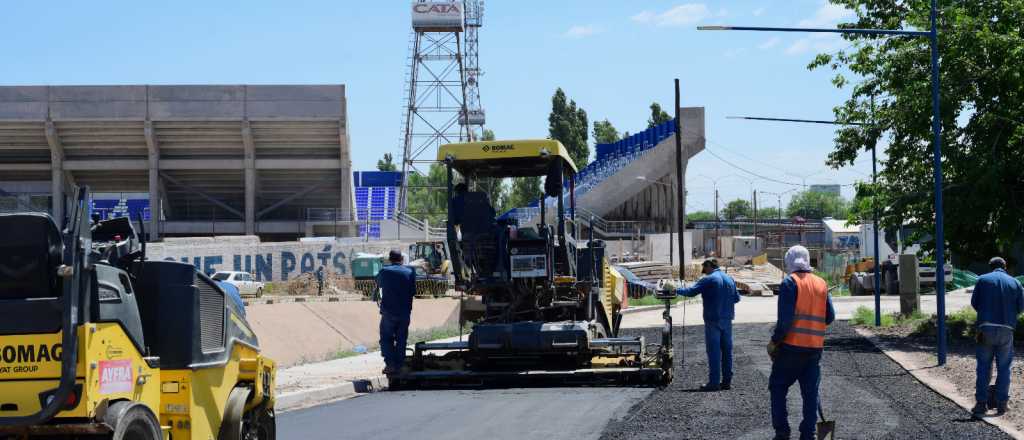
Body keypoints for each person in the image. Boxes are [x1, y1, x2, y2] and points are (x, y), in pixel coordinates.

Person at [768, 245, 836, 440]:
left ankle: (782, 432)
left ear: (789, 260)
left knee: (778, 386)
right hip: (814, 348)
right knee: (810, 392)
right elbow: (830, 316)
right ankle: (809, 434)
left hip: (791, 347)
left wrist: (774, 341)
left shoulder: (790, 282)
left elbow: (785, 321)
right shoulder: (821, 283)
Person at [674, 259, 741, 391]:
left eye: (705, 269)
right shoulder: (729, 279)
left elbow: (691, 292)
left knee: (714, 352)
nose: (705, 272)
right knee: (727, 352)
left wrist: (675, 289)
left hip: (713, 320)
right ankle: (727, 382)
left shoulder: (709, 279)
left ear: (709, 265)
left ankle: (714, 383)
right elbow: (737, 298)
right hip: (727, 320)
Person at [970, 257, 1024, 418]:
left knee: (983, 367)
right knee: (1004, 367)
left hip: (985, 328)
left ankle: (981, 404)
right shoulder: (1015, 283)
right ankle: (1001, 405)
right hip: (1006, 329)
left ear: (990, 267)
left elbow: (975, 303)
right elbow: (1020, 307)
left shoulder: (982, 280)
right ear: (1005, 267)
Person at [376, 249, 417, 375]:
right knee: (401, 339)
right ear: (402, 259)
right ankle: (399, 365)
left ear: (390, 259)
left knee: (386, 338)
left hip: (388, 312)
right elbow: (413, 291)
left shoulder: (384, 271)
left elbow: (378, 284)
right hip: (404, 312)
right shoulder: (410, 272)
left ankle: (390, 365)